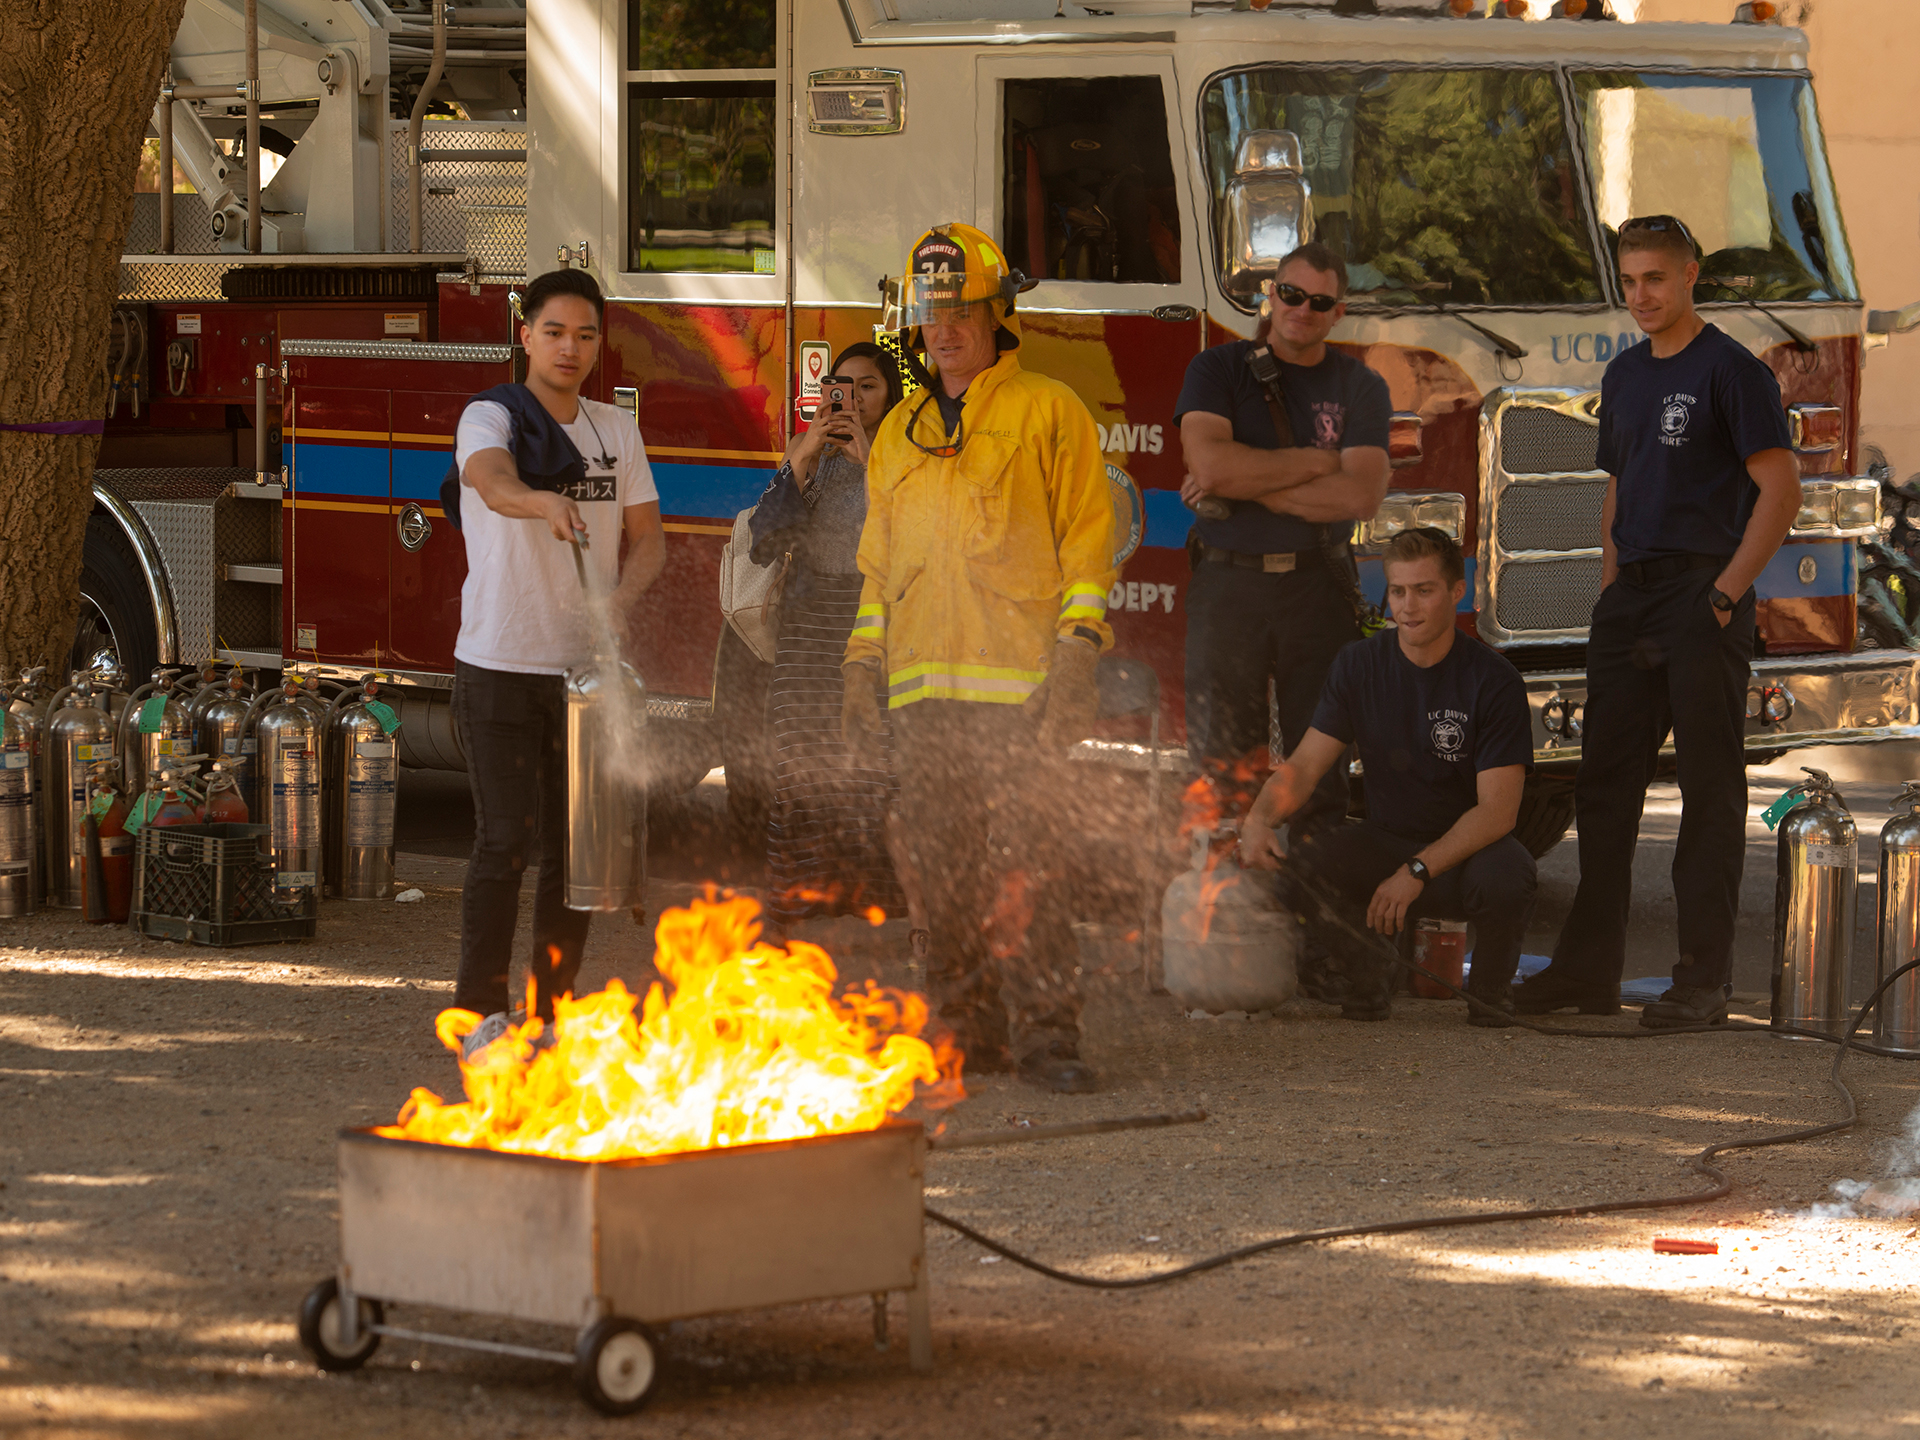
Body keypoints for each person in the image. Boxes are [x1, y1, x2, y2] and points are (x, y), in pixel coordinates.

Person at [843, 221, 1116, 1094]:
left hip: (1025, 693)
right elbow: (877, 570)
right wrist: (860, 665)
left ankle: (1049, 1040)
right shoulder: (898, 436)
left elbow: (1088, 544)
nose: (947, 329)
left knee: (1032, 870)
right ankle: (966, 1034)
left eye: (963, 312)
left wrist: (1079, 653)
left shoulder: (1049, 411)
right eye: (933, 315)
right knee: (942, 874)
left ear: (999, 316)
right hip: (925, 698)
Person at [1513, 215, 1798, 1030]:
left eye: (1656, 279)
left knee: (1710, 792)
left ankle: (1701, 982)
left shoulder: (1732, 373)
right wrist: (1610, 585)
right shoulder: (1627, 373)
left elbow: (1780, 494)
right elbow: (1618, 487)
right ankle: (1588, 972)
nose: (1641, 295)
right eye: (1629, 280)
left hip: (1702, 595)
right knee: (1603, 789)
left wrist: (1723, 595)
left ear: (1690, 276)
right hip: (1629, 599)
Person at [443, 267, 665, 1046]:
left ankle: (548, 1014)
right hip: (501, 664)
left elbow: (651, 542)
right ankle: (475, 1016)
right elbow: (491, 483)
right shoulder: (490, 416)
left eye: (586, 335)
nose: (571, 349)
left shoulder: (617, 429)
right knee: (503, 841)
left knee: (574, 858)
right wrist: (543, 500)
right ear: (525, 334)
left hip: (585, 678)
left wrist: (618, 607)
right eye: (555, 332)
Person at [1238, 528, 1537, 1025]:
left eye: (1424, 590)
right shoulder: (1359, 664)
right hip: (1387, 839)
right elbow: (1306, 765)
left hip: (1466, 851)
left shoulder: (1493, 679)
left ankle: (1490, 993)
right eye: (1398, 591)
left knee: (1509, 875)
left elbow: (1498, 812)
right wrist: (1257, 820)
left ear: (1457, 591)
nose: (1408, 606)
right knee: (1299, 868)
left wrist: (1416, 871)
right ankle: (1366, 973)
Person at [1175, 241, 1391, 831]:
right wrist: (1321, 462)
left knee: (1318, 774)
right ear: (1270, 294)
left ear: (1339, 312)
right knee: (1221, 771)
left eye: (1320, 302)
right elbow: (1213, 468)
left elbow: (1360, 495)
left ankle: (1310, 912)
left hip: (1317, 587)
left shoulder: (1361, 385)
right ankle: (1230, 915)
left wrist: (1246, 484)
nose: (1303, 309)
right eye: (1291, 294)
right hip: (1227, 585)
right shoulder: (1216, 369)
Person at [748, 344, 909, 932]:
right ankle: (798, 909)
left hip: (877, 626)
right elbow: (764, 541)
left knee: (876, 766)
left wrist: (872, 461)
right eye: (842, 386)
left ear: (892, 395)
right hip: (809, 623)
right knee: (800, 766)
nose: (853, 399)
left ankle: (878, 911)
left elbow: (916, 533)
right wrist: (803, 459)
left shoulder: (904, 454)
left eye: (869, 387)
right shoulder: (810, 453)